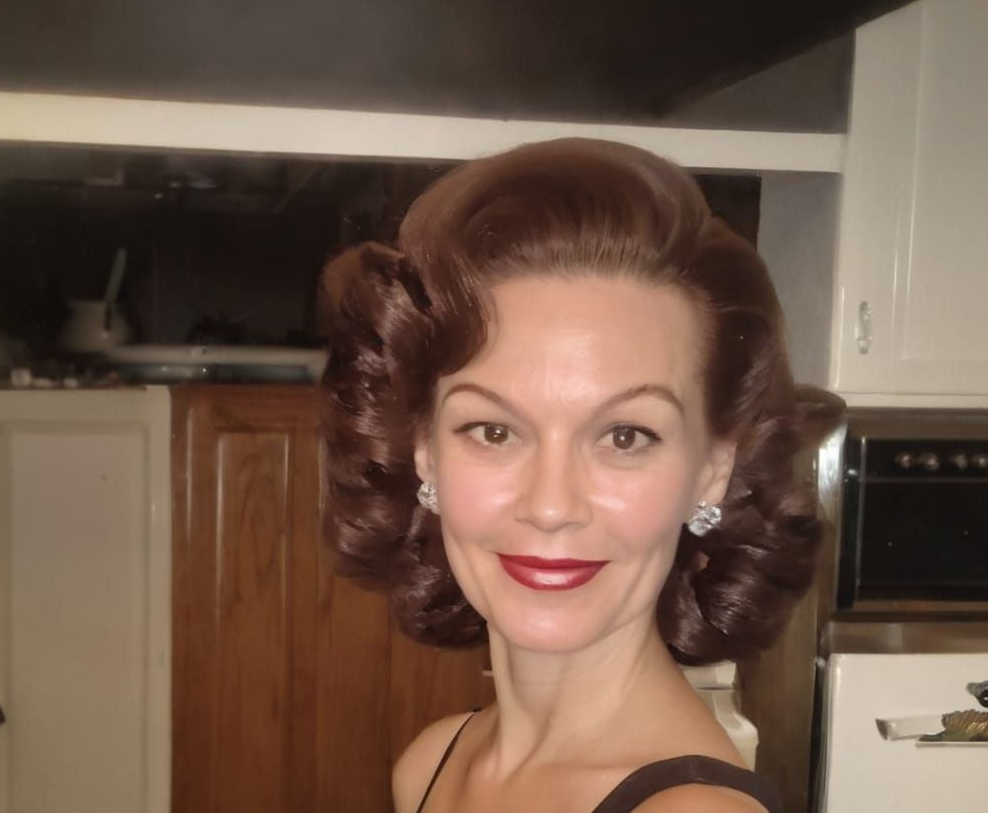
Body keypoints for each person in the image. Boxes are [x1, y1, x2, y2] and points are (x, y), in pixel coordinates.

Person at [318, 138, 843, 812]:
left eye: (625, 436)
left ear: (712, 470)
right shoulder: (433, 764)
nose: (551, 504)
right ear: (424, 450)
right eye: (494, 431)